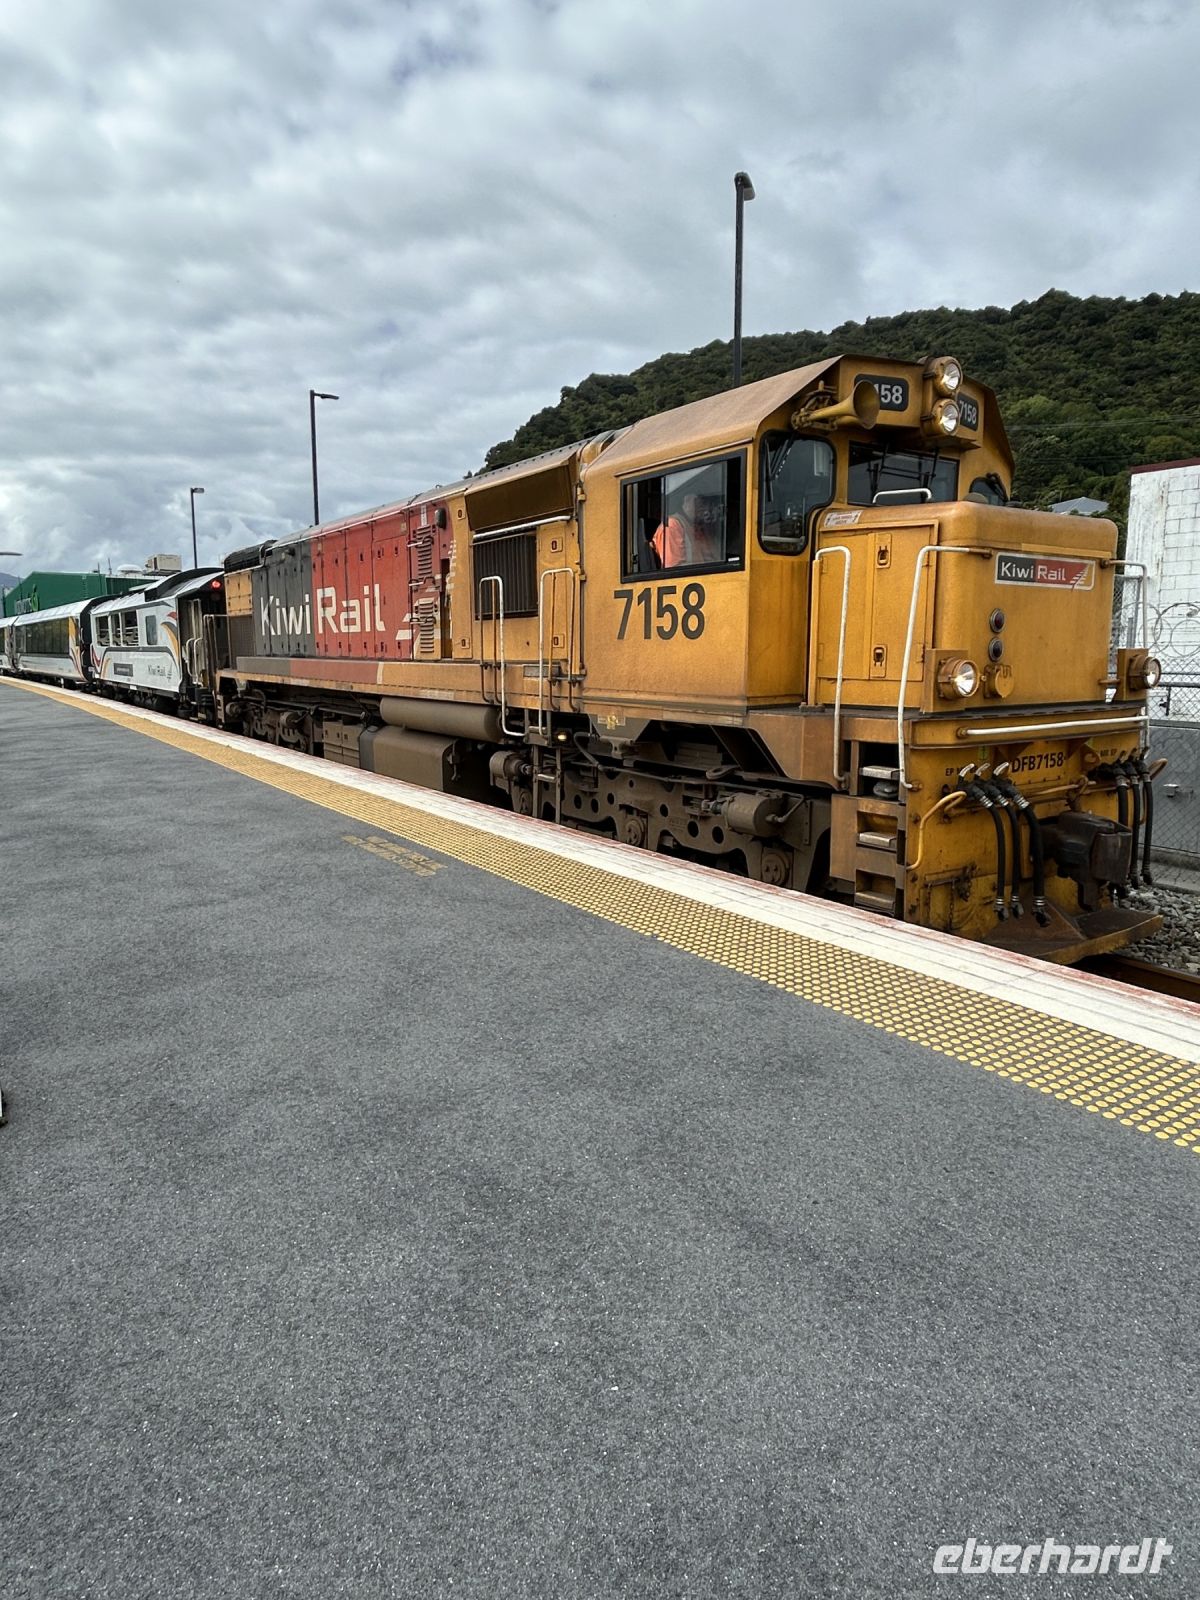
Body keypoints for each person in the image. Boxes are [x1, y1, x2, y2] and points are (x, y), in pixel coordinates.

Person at [651, 493, 720, 569]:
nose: (704, 508)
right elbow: (673, 568)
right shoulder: (672, 525)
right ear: (687, 501)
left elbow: (712, 559)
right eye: (700, 501)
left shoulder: (697, 527)